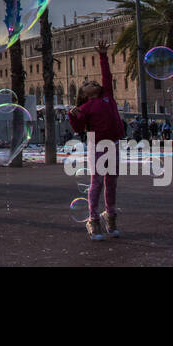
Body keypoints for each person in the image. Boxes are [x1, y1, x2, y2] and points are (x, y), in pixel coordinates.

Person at [68, 40, 125, 240]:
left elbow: (106, 76)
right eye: (86, 85)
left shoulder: (107, 95)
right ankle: (93, 220)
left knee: (112, 183)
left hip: (114, 144)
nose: (91, 83)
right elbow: (78, 129)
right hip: (97, 146)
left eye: (93, 82)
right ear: (82, 95)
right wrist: (73, 116)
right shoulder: (84, 108)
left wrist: (103, 55)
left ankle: (110, 216)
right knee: (97, 183)